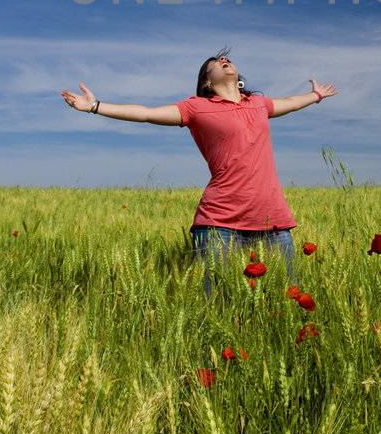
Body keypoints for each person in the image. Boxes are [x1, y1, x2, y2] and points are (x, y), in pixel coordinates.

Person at [60, 46, 337, 298]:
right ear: (207, 81)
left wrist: (315, 96)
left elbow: (289, 101)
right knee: (218, 303)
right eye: (216, 62)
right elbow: (145, 113)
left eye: (228, 59)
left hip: (272, 220)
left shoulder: (258, 104)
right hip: (219, 222)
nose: (224, 60)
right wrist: (95, 106)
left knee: (289, 299)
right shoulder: (197, 108)